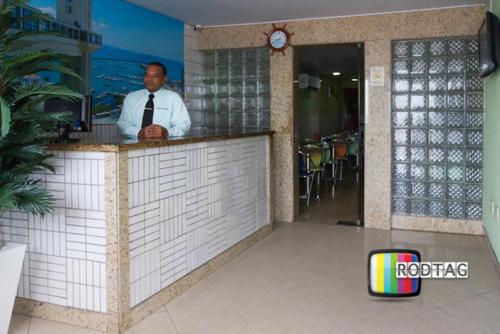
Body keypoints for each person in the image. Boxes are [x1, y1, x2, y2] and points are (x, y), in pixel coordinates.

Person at [117, 62, 191, 138]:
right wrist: (138, 132)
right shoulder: (131, 98)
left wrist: (167, 132)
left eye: (155, 76)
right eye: (147, 75)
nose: (149, 79)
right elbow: (123, 123)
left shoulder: (173, 98)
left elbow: (184, 125)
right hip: (134, 148)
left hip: (164, 148)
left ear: (164, 79)